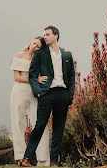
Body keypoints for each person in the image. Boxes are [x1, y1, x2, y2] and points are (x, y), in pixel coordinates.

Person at [20, 26, 75, 167]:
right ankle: (26, 158)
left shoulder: (67, 54)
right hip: (46, 94)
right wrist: (38, 92)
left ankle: (54, 162)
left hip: (63, 94)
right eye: (44, 35)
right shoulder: (40, 54)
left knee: (58, 128)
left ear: (56, 36)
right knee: (40, 125)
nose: (45, 37)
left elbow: (71, 76)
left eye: (48, 34)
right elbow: (32, 75)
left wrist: (70, 95)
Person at [10, 36, 50, 166]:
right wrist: (34, 80)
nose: (34, 46)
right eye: (34, 43)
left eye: (38, 46)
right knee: (18, 123)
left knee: (39, 123)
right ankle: (21, 157)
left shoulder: (39, 59)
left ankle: (43, 158)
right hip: (19, 92)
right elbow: (17, 77)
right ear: (30, 42)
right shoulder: (19, 55)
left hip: (35, 93)